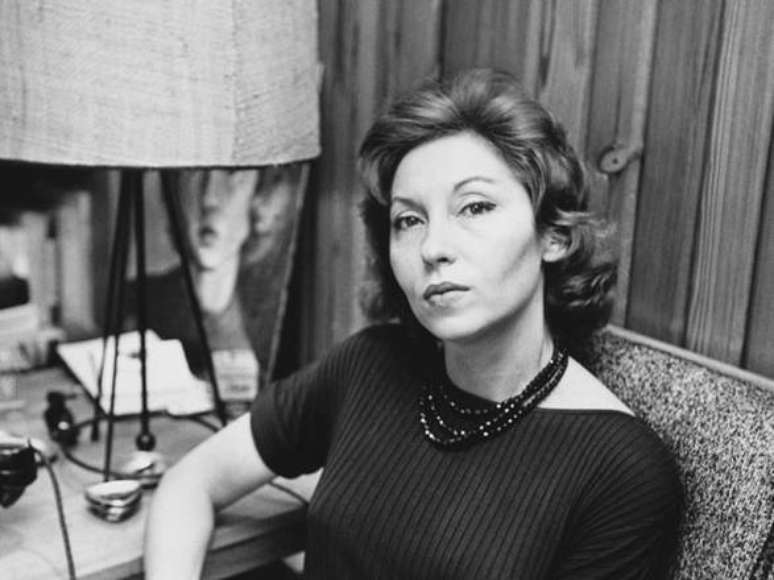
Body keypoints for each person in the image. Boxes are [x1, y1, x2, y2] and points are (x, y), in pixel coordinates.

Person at [144, 69, 682, 578]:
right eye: (409, 220)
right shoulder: (370, 364)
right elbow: (191, 482)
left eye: (474, 207)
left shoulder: (620, 470)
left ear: (554, 236)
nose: (433, 247)